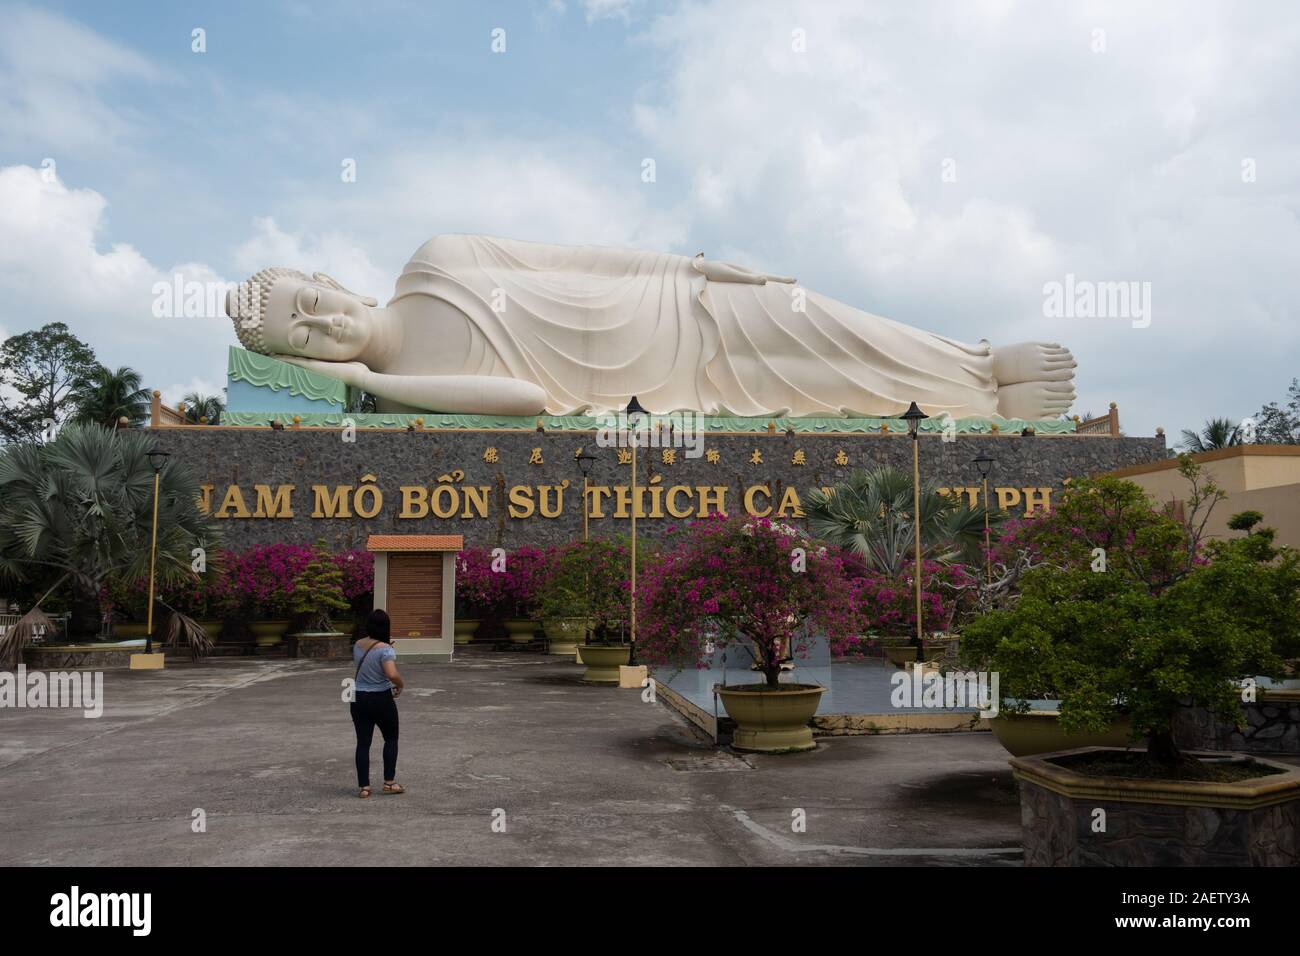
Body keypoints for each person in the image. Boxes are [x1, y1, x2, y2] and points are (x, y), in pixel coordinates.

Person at [350, 609, 406, 798]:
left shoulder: (357, 644)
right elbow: (391, 674)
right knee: (390, 738)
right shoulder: (386, 649)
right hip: (380, 698)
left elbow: (368, 660)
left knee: (363, 743)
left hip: (358, 697)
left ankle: (364, 787)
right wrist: (401, 684)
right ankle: (389, 783)